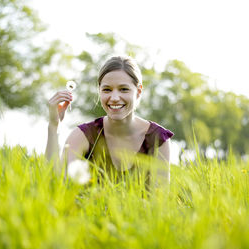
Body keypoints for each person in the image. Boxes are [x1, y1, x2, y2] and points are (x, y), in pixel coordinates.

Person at [46, 56, 173, 186]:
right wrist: (53, 126)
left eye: (124, 89)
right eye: (107, 90)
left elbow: (160, 198)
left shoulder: (157, 138)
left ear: (138, 91)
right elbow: (57, 184)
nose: (114, 98)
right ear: (99, 91)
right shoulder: (83, 135)